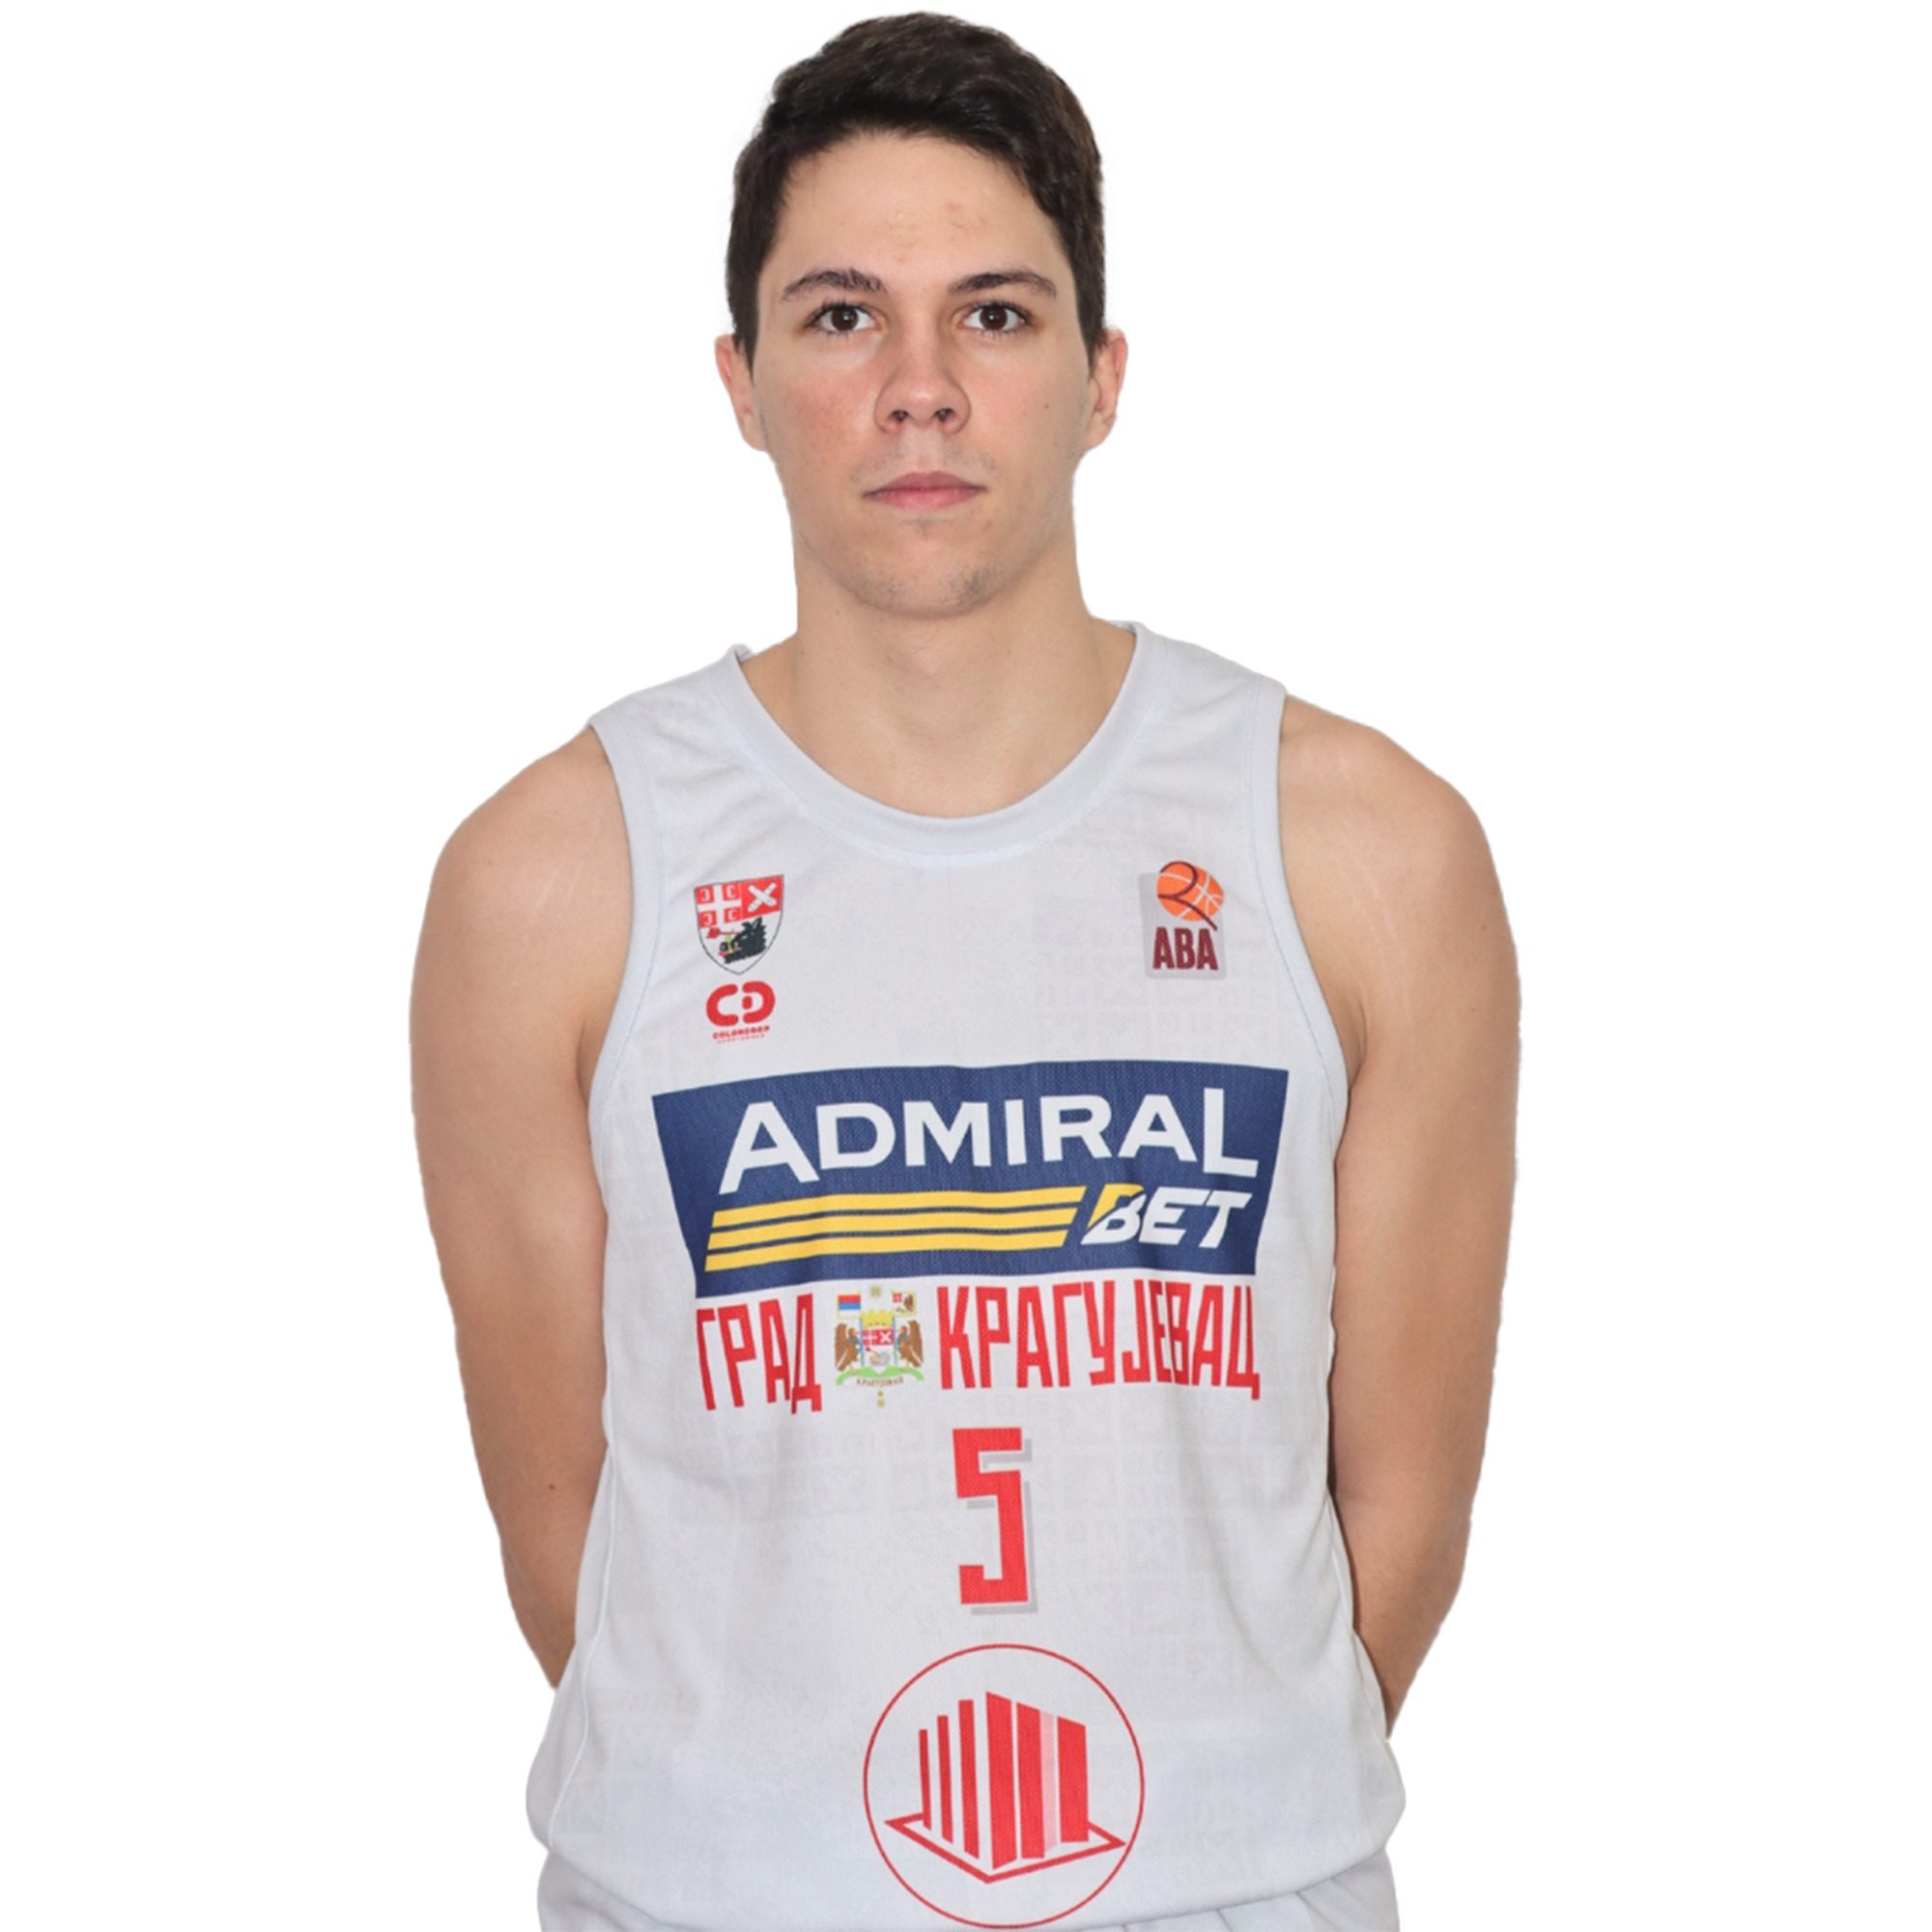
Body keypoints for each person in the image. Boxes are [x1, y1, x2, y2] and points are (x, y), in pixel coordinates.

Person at [409, 11, 1520, 1930]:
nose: (917, 390)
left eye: (993, 315)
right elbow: (564, 1532)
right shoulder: (550, 876)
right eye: (841, 316)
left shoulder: (1366, 849)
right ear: (737, 379)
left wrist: (1197, 1822)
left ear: (1103, 375)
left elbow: (1397, 1513)